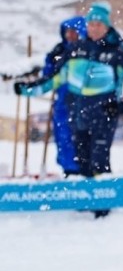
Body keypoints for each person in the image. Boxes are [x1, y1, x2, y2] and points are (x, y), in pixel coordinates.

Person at [20, 2, 123, 216]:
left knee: (99, 161)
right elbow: (55, 78)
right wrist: (28, 90)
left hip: (103, 115)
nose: (94, 28)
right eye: (91, 24)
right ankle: (83, 201)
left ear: (107, 26)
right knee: (81, 161)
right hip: (77, 114)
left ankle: (102, 206)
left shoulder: (119, 51)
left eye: (99, 24)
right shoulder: (77, 49)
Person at [11, 16, 87, 176]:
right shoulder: (59, 51)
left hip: (83, 104)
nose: (69, 35)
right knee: (63, 138)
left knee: (79, 140)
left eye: (73, 32)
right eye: (67, 32)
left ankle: (81, 173)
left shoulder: (88, 51)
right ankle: (69, 171)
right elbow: (49, 76)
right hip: (63, 102)